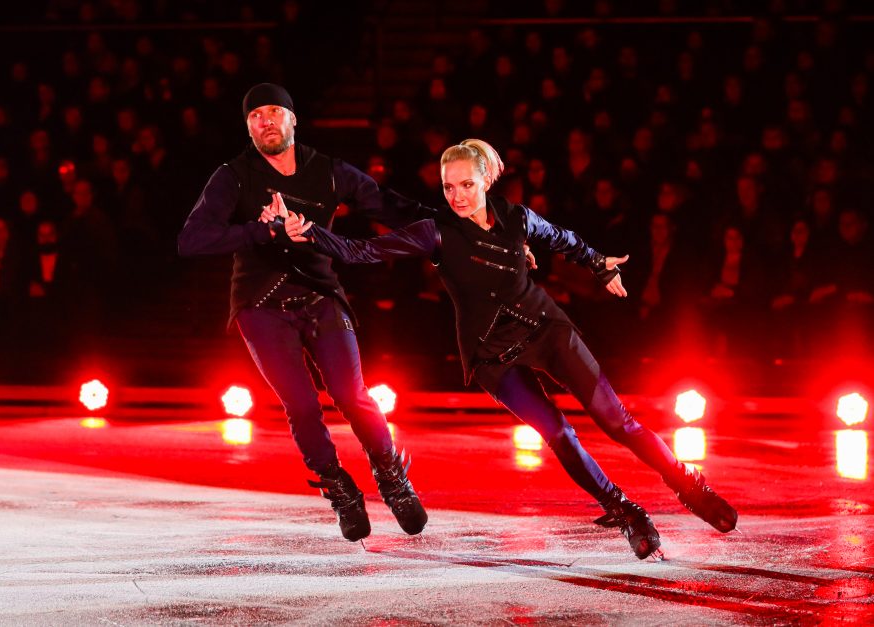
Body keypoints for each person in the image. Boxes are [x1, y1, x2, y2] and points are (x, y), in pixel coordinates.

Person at [280, 139, 738, 560]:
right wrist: (311, 233)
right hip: (490, 353)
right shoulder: (435, 232)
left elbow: (563, 238)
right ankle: (625, 512)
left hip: (545, 329)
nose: (456, 196)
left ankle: (689, 486)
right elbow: (364, 250)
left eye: (466, 184)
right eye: (447, 187)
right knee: (558, 434)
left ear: (485, 180)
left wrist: (599, 264)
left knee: (617, 420)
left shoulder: (516, 217)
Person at [177, 83, 427, 542]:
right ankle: (339, 487)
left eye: (274, 111)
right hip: (260, 305)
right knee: (302, 406)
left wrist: (457, 227)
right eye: (256, 115)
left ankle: (392, 476)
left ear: (293, 119)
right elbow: (191, 240)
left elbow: (392, 208)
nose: (265, 120)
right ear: (248, 126)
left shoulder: (328, 172)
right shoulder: (233, 176)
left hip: (320, 294)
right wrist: (261, 231)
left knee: (353, 394)